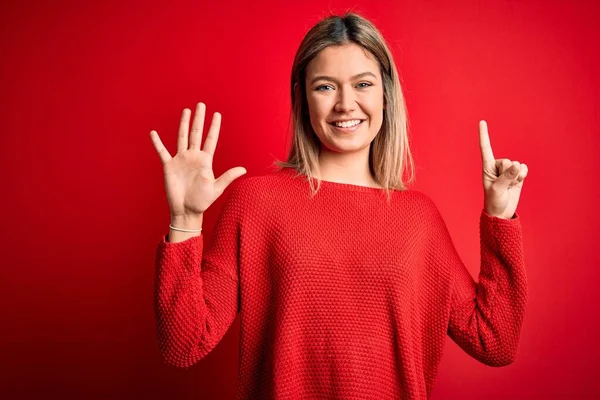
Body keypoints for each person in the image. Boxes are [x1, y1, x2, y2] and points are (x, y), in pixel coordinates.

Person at [149, 12, 529, 400]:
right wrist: (185, 219)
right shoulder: (256, 203)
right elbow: (185, 345)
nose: (346, 104)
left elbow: (494, 340)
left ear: (386, 94)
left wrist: (499, 217)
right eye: (326, 86)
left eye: (362, 84)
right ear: (303, 97)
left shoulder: (419, 218)